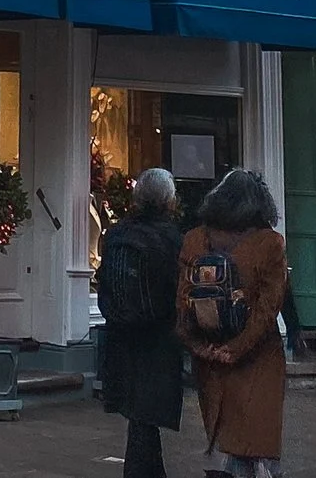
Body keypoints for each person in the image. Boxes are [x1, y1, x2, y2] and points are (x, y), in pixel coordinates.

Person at [180, 168, 290, 478]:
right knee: (256, 439)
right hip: (257, 357)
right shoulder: (270, 243)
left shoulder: (194, 239)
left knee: (221, 435)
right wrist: (236, 348)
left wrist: (199, 347)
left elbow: (182, 300)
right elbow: (269, 308)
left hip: (208, 355)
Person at [99, 166, 187, 478]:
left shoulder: (117, 233)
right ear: (169, 201)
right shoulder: (171, 238)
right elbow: (177, 289)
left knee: (140, 416)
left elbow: (103, 283)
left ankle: (151, 470)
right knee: (144, 414)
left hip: (122, 333)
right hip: (156, 336)